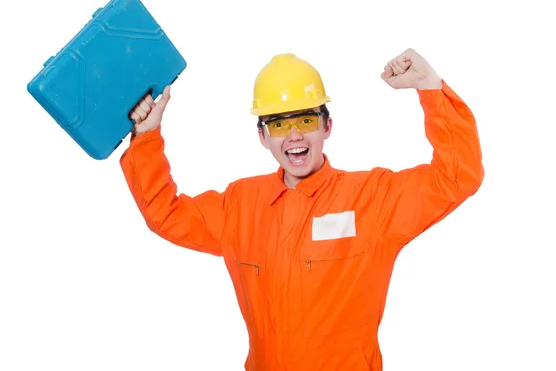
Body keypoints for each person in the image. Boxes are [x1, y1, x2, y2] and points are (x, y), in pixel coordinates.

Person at [120, 48, 484, 370]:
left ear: (327, 126)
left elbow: (456, 177)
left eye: (305, 120)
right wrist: (147, 135)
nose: (293, 135)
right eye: (278, 123)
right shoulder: (240, 205)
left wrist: (430, 87)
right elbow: (165, 215)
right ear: (262, 137)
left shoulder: (374, 200)